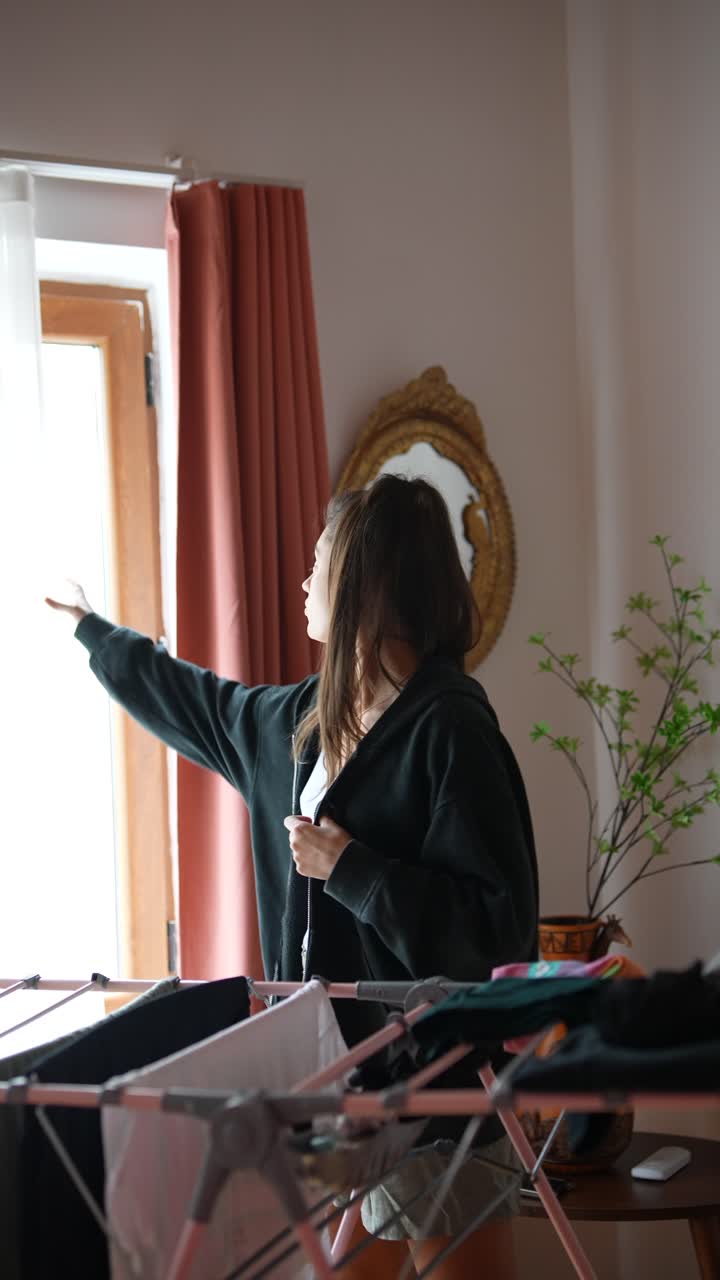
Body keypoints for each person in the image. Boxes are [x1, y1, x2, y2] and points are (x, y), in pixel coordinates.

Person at [46, 474, 539, 1278]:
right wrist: (92, 631)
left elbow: (496, 934)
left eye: (320, 562)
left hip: (438, 1091)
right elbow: (197, 702)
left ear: (365, 584)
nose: (305, 581)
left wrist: (351, 869)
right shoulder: (299, 722)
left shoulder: (452, 729)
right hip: (336, 1097)